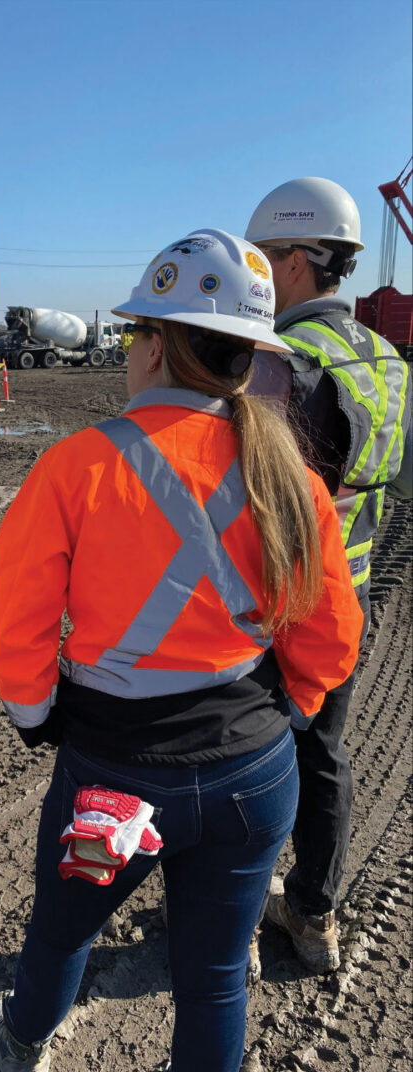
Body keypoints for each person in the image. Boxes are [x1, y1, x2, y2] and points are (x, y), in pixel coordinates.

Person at [0, 229, 364, 1072]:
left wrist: (35, 715)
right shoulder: (291, 475)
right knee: (216, 980)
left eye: (133, 333)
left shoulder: (75, 467)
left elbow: (19, 618)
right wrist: (288, 710)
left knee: (65, 932)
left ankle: (19, 1045)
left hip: (111, 782)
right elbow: (333, 630)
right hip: (255, 779)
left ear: (157, 345)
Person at [245, 177, 411, 973]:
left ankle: (232, 916)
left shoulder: (282, 361)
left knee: (248, 756)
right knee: (325, 755)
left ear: (301, 262)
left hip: (275, 605)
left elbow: (242, 500)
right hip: (348, 600)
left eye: (265, 258)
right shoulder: (387, 358)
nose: (257, 276)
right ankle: (314, 916)